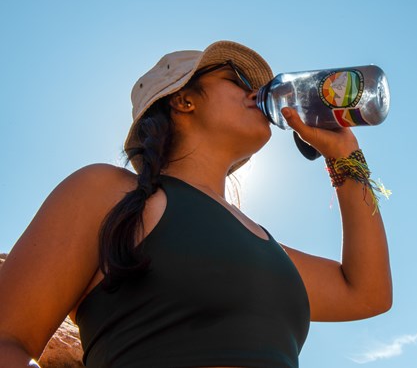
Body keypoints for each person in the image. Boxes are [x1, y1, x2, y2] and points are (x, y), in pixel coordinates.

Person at [0, 40, 392, 368]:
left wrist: (345, 156)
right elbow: (8, 340)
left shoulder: (262, 245)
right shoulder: (109, 192)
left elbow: (366, 292)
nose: (257, 92)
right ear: (183, 100)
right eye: (235, 80)